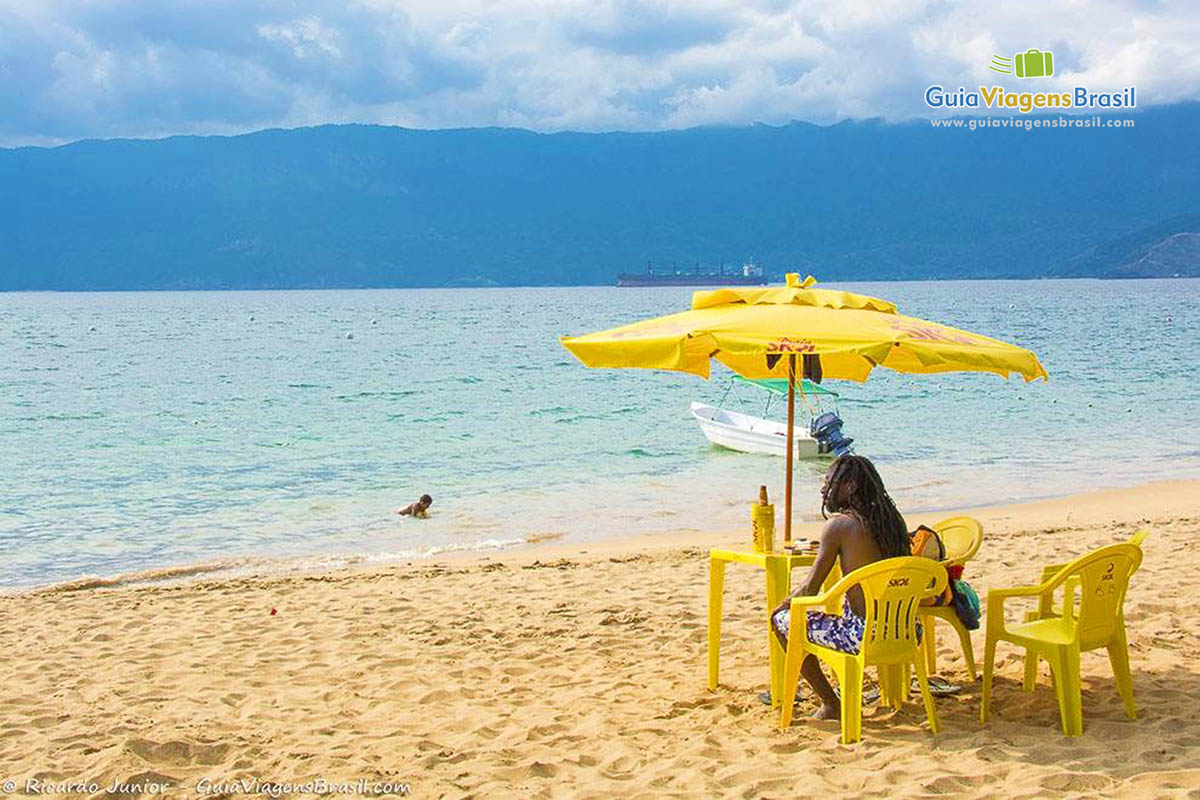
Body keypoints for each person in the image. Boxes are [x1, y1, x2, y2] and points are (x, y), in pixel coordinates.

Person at [769, 454, 911, 720]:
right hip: (904, 630)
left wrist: (782, 605)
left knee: (782, 621)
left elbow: (810, 590)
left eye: (829, 482)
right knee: (845, 609)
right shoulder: (893, 522)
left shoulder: (839, 526)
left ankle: (831, 704)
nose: (824, 489)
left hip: (862, 634)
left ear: (850, 486)